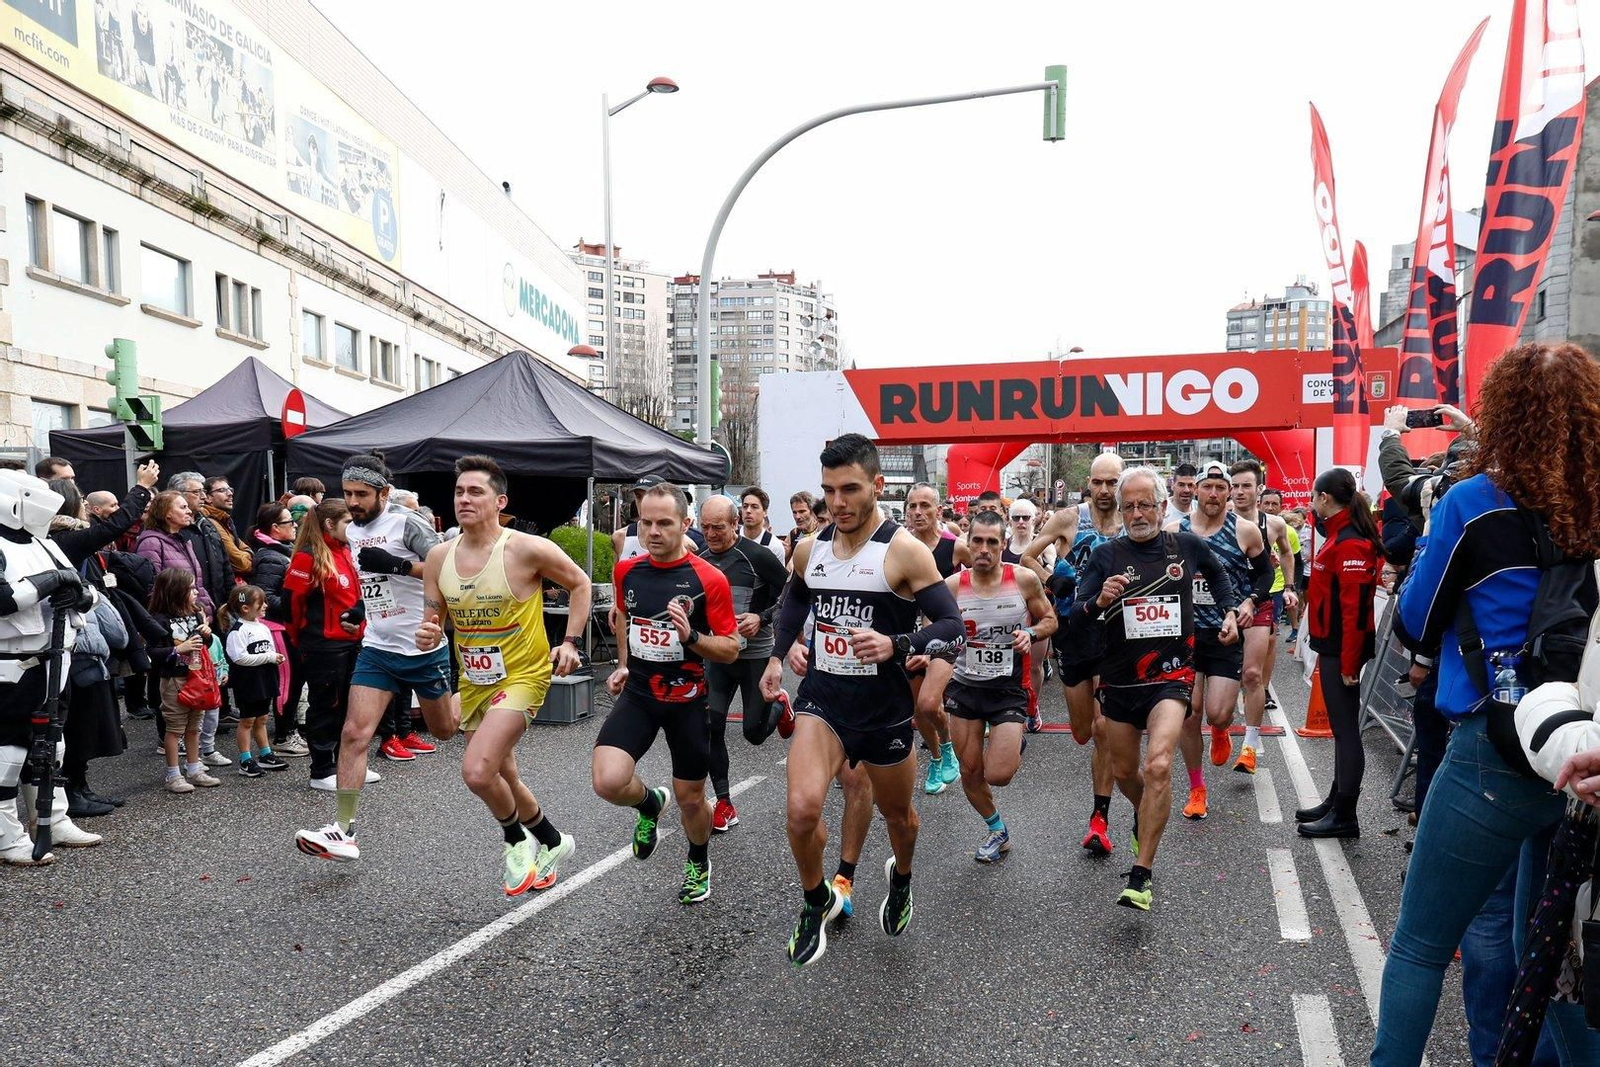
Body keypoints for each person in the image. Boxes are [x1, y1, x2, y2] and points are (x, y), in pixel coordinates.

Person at [1372, 342, 1600, 1065]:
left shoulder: (1474, 502)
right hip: (1586, 751)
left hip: (1494, 748)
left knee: (1421, 943)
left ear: (1506, 414)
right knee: (1558, 964)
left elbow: (1414, 620)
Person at [761, 433, 964, 966]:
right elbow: (796, 599)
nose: (838, 503)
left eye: (850, 489)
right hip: (824, 700)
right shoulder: (812, 547)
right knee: (802, 811)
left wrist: (897, 644)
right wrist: (780, 655)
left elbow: (952, 626)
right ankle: (815, 900)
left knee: (901, 819)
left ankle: (901, 878)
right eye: (829, 491)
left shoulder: (904, 551)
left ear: (877, 485)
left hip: (884, 709)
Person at [407, 455, 583, 894]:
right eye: (459, 492)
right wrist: (429, 633)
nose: (464, 499)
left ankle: (514, 841)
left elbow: (580, 583)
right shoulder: (438, 556)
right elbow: (436, 618)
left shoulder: (526, 548)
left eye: (476, 491)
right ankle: (552, 840)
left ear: (499, 500)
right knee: (504, 776)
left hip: (523, 676)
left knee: (477, 772)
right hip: (474, 680)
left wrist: (571, 642)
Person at [1067, 466, 1239, 911]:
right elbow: (1078, 616)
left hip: (1172, 676)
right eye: (1130, 506)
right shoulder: (1106, 555)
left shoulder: (1186, 545)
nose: (1138, 513)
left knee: (1159, 765)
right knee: (1126, 773)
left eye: (1146, 504)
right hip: (1120, 681)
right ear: (1120, 511)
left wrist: (1228, 612)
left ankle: (1141, 875)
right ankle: (1146, 813)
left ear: (1163, 507)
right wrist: (1101, 600)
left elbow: (1219, 577)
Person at [595, 482, 738, 905]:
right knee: (607, 780)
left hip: (687, 700)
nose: (652, 531)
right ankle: (646, 803)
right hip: (640, 693)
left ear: (686, 524)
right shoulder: (627, 570)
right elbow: (623, 615)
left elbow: (730, 648)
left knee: (691, 799)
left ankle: (698, 859)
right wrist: (623, 662)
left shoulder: (708, 579)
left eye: (664, 523)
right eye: (645, 522)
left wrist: (691, 636)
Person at [309, 454, 458, 855]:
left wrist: (396, 565)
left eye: (362, 494)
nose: (353, 502)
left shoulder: (406, 523)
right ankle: (343, 829)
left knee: (444, 729)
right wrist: (361, 607)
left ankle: (478, 694)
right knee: (354, 733)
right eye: (348, 494)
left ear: (384, 492)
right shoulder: (353, 531)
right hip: (377, 648)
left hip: (422, 648)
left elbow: (448, 571)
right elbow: (371, 580)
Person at [918, 508, 1055, 861]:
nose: (983, 548)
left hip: (1008, 688)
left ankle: (1013, 741)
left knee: (998, 775)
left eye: (991, 542)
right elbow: (930, 627)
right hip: (964, 687)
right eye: (977, 540)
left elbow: (1050, 619)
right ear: (967, 542)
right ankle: (997, 830)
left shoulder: (1023, 579)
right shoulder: (951, 587)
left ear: (1003, 544)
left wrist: (1030, 632)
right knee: (970, 771)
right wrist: (925, 650)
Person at [1022, 451, 1125, 854]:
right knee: (1083, 732)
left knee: (1103, 729)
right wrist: (1050, 578)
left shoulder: (1130, 521)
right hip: (1074, 632)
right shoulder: (1068, 519)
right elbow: (1028, 554)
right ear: (1088, 483)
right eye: (1097, 482)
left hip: (1116, 634)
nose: (1103, 490)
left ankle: (1099, 818)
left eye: (1111, 482)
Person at [0, 470, 99, 864]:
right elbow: (4, 599)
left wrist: (77, 593)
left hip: (57, 657)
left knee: (50, 745)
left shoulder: (45, 543)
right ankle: (8, 836)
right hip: (12, 665)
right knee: (8, 752)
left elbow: (85, 590)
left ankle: (52, 819)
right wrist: (49, 581)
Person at [1168, 460, 1271, 821]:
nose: (1213, 494)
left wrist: (1249, 602)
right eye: (1206, 487)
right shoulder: (1173, 530)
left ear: (1229, 492)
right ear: (1194, 490)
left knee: (1218, 712)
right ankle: (1197, 788)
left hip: (1226, 635)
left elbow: (1265, 574)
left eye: (1220, 488)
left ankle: (1222, 730)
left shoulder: (1245, 531)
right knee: (1189, 713)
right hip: (1186, 636)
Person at [696, 496, 791, 832]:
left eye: (718, 527)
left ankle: (780, 705)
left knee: (752, 734)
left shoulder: (758, 557)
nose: (710, 534)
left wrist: (762, 617)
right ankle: (723, 802)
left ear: (735, 523)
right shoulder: (699, 559)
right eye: (704, 527)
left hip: (755, 655)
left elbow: (794, 594)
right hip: (719, 656)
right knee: (711, 727)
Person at [1296, 468, 1381, 838]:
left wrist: (1349, 662)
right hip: (1330, 646)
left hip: (1341, 651)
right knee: (1341, 731)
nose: (1310, 504)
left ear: (1325, 499)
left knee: (1346, 732)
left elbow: (1356, 610)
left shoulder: (1349, 542)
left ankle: (1345, 815)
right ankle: (1335, 799)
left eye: (1314, 497)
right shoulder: (1336, 535)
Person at [280, 499, 367, 792]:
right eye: (348, 522)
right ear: (330, 524)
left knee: (351, 707)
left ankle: (346, 765)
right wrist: (300, 638)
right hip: (323, 645)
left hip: (352, 642)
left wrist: (360, 614)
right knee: (326, 707)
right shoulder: (307, 556)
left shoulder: (346, 550)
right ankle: (322, 769)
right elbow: (292, 604)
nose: (354, 528)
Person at [1226, 459, 1296, 774]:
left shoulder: (1275, 524)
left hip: (1260, 602)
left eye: (1246, 486)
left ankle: (1250, 746)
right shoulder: (1220, 521)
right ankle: (1218, 726)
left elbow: (1286, 552)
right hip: (1221, 605)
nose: (1240, 492)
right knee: (1223, 682)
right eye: (1235, 486)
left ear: (1259, 489)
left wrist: (1291, 586)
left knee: (1251, 675)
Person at [903, 482, 966, 791]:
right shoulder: (901, 547)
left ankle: (949, 745)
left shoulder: (953, 545)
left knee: (929, 704)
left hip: (944, 634)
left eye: (924, 506)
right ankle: (937, 759)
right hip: (911, 636)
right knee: (918, 710)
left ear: (938, 511)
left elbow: (986, 566)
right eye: (912, 506)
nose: (918, 512)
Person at [147, 568, 220, 793]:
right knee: (175, 728)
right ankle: (173, 774)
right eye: (190, 588)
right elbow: (152, 653)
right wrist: (179, 648)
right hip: (174, 679)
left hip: (196, 677)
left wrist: (207, 636)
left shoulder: (197, 613)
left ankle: (194, 768)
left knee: (194, 727)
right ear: (175, 591)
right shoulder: (159, 619)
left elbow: (203, 647)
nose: (196, 592)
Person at [248, 501, 307, 755]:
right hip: (277, 628)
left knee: (296, 680)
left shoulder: (281, 551)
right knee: (287, 682)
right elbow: (264, 596)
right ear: (275, 528)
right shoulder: (270, 557)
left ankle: (289, 729)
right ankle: (284, 735)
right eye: (288, 522)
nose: (294, 525)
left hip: (288, 626)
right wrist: (298, 604)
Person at [217, 585, 286, 778]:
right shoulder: (237, 631)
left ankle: (265, 754)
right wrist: (270, 657)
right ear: (246, 608)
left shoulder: (263, 627)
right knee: (247, 719)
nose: (265, 605)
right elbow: (239, 658)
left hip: (265, 678)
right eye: (260, 602)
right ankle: (245, 759)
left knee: (262, 717)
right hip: (248, 681)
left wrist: (274, 657)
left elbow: (267, 651)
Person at [614, 475, 706, 561]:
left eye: (650, 495)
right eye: (639, 496)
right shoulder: (620, 537)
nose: (643, 502)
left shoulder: (689, 543)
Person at [739, 486, 787, 563]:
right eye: (745, 506)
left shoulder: (774, 546)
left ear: (765, 512)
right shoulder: (731, 538)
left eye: (754, 507)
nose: (748, 511)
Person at [785, 491, 822, 563]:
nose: (797, 517)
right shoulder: (794, 534)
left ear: (812, 511)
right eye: (794, 512)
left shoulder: (822, 531)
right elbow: (784, 564)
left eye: (802, 511)